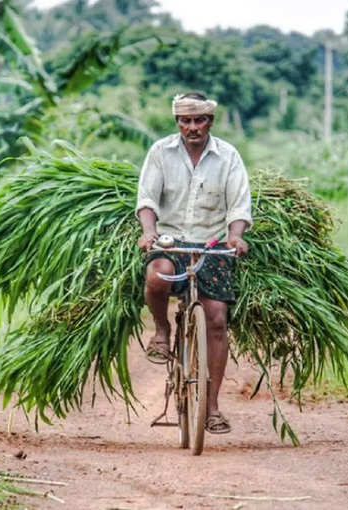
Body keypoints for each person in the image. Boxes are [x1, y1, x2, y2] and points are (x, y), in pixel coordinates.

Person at [135, 92, 252, 434]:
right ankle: (161, 330)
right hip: (170, 240)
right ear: (177, 123)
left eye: (199, 120)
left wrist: (236, 235)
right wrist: (149, 233)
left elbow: (239, 206)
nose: (192, 128)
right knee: (157, 277)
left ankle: (212, 407)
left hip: (212, 244)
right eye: (185, 121)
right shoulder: (160, 152)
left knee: (216, 318)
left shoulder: (228, 156)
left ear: (210, 122)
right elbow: (147, 199)